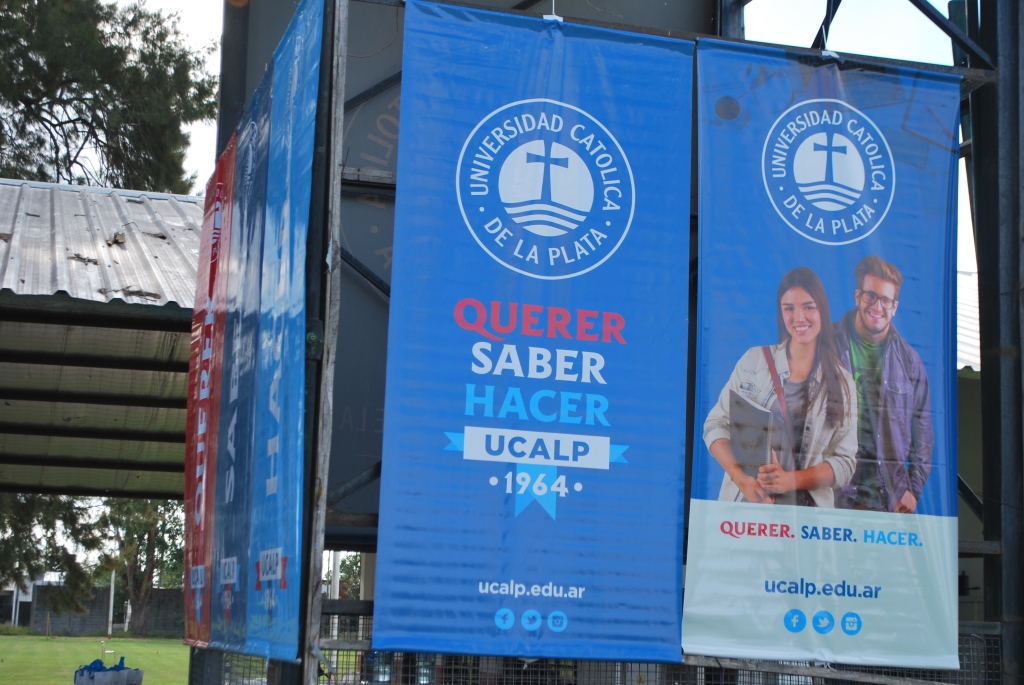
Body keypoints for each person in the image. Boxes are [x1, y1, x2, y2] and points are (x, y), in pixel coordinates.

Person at [705, 267, 857, 507]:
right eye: (789, 308)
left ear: (822, 310)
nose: (799, 318)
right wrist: (741, 479)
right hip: (745, 512)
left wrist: (790, 481)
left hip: (805, 518)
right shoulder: (753, 361)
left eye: (808, 307)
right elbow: (715, 424)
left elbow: (845, 463)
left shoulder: (842, 381)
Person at [834, 255, 933, 513]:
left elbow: (922, 432)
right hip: (832, 497)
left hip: (888, 502)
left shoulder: (910, 362)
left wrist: (913, 490)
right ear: (858, 296)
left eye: (886, 300)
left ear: (894, 306)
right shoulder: (825, 345)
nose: (878, 306)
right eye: (871, 296)